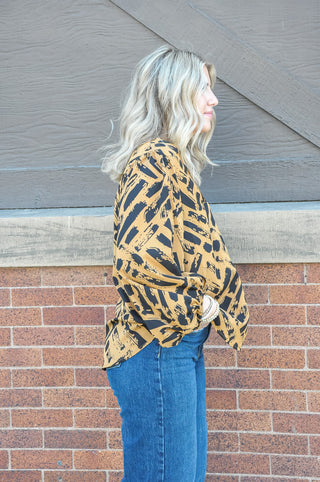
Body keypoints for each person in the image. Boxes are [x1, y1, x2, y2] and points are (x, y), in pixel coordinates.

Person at [101, 45, 249, 482]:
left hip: (169, 348)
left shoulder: (166, 161)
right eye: (203, 88)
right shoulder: (155, 160)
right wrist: (194, 308)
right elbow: (134, 262)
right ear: (174, 95)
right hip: (159, 349)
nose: (214, 99)